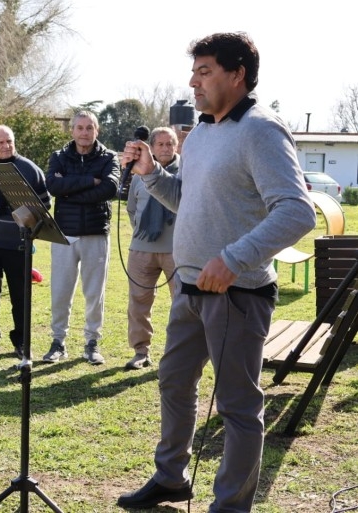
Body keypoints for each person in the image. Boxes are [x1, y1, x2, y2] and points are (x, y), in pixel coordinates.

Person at [117, 32, 316, 511]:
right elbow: (186, 200)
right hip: (188, 288)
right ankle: (171, 477)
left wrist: (233, 259)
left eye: (204, 72)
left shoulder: (262, 130)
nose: (193, 82)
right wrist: (151, 174)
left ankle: (230, 507)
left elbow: (297, 211)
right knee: (174, 381)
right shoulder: (203, 132)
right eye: (194, 72)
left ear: (237, 74)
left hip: (237, 294)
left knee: (237, 407)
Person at [41, 110, 119, 365]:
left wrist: (71, 190)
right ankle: (58, 341)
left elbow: (110, 188)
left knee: (94, 293)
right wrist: (90, 181)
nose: (85, 132)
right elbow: (54, 186)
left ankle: (91, 343)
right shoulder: (59, 157)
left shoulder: (109, 157)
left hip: (96, 234)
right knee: (60, 291)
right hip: (65, 234)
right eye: (80, 128)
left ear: (97, 130)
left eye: (89, 127)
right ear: (72, 130)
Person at [0, 125, 50, 358]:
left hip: (17, 244)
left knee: (20, 295)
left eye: (9, 141)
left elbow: (44, 204)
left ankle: (22, 341)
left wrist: (23, 217)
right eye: (0, 142)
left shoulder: (29, 169)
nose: (6, 146)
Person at [124, 127, 180, 370]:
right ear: (152, 148)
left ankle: (177, 355)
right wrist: (145, 232)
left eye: (170, 144)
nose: (166, 148)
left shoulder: (187, 172)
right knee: (138, 303)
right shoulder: (139, 174)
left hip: (178, 251)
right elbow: (131, 209)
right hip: (141, 249)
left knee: (182, 305)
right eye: (161, 144)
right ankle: (140, 351)